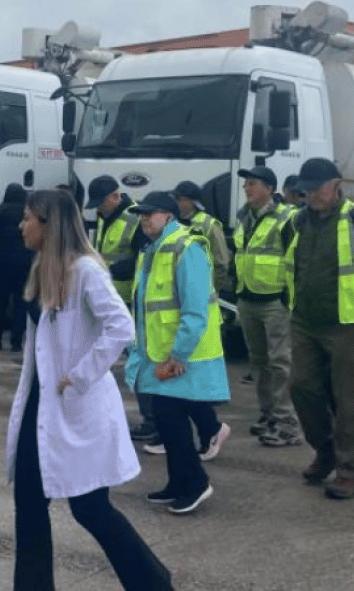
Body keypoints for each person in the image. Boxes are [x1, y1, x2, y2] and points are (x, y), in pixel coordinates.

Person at [7, 190, 171, 591]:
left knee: (90, 508)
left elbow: (121, 326)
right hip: (39, 405)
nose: (21, 225)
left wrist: (79, 375)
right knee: (29, 506)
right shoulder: (43, 268)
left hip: (74, 406)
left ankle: (152, 582)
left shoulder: (85, 271)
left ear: (49, 224)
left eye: (28, 218)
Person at [286, 158, 354, 499]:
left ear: (336, 184)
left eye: (317, 188)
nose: (311, 195)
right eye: (307, 190)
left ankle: (351, 470)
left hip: (346, 323)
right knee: (301, 387)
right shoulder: (300, 220)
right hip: (305, 320)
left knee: (347, 399)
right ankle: (326, 450)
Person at [125, 191, 231, 515]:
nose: (144, 219)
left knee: (171, 419)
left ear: (169, 216)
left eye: (150, 214)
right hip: (162, 355)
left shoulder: (188, 248)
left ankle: (196, 483)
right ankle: (179, 482)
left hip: (183, 357)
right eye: (142, 214)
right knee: (169, 420)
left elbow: (195, 311)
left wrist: (177, 357)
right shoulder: (153, 250)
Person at [231, 166, 301, 447]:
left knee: (281, 363)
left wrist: (289, 300)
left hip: (275, 301)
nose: (247, 188)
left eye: (254, 184)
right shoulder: (244, 217)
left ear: (270, 189)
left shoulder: (287, 218)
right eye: (246, 184)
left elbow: (298, 260)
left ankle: (287, 424)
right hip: (248, 299)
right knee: (259, 362)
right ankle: (268, 414)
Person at [84, 176, 156, 442]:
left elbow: (140, 258)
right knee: (134, 362)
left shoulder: (134, 218)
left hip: (132, 300)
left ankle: (153, 420)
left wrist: (109, 271)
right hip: (115, 299)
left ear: (115, 197)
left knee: (140, 362)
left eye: (100, 204)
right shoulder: (108, 218)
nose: (97, 210)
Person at [0, 183, 33, 351]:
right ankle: (16, 341)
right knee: (21, 303)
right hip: (24, 264)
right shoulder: (28, 213)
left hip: (2, 263)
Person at [173, 180, 231, 294]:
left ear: (192, 202)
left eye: (180, 199)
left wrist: (210, 290)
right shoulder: (173, 223)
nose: (176, 202)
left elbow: (222, 263)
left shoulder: (208, 224)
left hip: (202, 292)